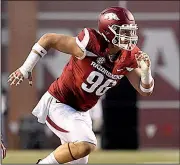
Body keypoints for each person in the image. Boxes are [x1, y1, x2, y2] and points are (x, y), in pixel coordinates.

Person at [8, 6, 154, 164]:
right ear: (108, 30)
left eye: (131, 31)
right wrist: (26, 68)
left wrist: (146, 72)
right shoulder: (90, 43)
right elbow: (49, 39)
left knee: (79, 158)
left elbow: (145, 90)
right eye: (124, 31)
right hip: (59, 102)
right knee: (86, 144)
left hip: (81, 111)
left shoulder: (128, 56)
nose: (129, 36)